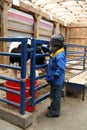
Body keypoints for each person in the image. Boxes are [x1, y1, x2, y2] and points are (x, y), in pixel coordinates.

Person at [45, 33, 66, 118]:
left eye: (52, 46)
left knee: (56, 96)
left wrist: (55, 77)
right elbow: (51, 51)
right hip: (54, 79)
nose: (51, 47)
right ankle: (53, 106)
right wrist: (44, 48)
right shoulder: (56, 51)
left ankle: (55, 112)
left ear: (57, 46)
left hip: (57, 80)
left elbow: (61, 68)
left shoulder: (59, 55)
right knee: (53, 94)